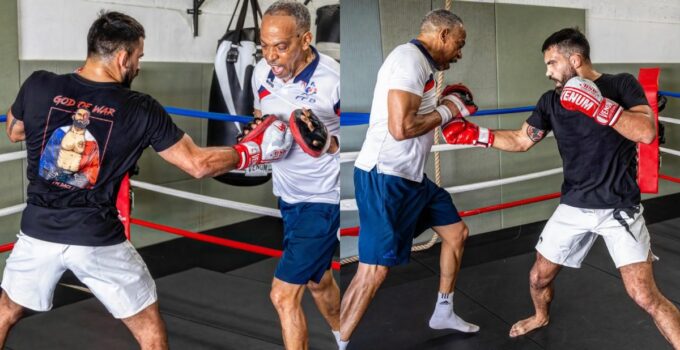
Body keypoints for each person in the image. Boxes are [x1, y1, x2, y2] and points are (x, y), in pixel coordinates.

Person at [2, 11, 288, 350]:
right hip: (96, 239)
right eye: (138, 57)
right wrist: (251, 151)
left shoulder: (39, 83)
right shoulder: (140, 108)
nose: (138, 66)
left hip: (38, 233)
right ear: (123, 57)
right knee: (149, 329)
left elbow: (15, 131)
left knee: (5, 311)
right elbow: (197, 164)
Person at [443, 27, 680, 347]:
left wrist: (601, 108)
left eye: (552, 63)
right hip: (573, 205)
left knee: (644, 296)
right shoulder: (550, 101)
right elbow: (521, 139)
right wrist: (476, 135)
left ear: (576, 59)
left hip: (618, 208)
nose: (547, 72)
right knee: (538, 277)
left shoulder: (620, 84)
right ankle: (540, 315)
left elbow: (646, 132)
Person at [340, 9, 480, 349]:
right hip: (386, 176)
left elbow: (418, 118)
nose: (459, 53)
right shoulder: (408, 60)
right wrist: (450, 109)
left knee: (456, 233)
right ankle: (339, 337)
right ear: (443, 35)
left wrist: (447, 104)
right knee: (373, 270)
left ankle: (443, 311)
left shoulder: (424, 65)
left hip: (412, 177)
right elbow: (401, 128)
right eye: (459, 44)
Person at [248, 1, 341, 349]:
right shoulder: (261, 72)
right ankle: (345, 338)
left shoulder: (332, 80)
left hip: (322, 199)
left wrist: (328, 141)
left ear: (306, 40)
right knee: (320, 283)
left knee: (283, 296)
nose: (271, 56)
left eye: (281, 46)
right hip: (288, 197)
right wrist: (257, 140)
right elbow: (260, 117)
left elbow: (364, 140)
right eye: (265, 45)